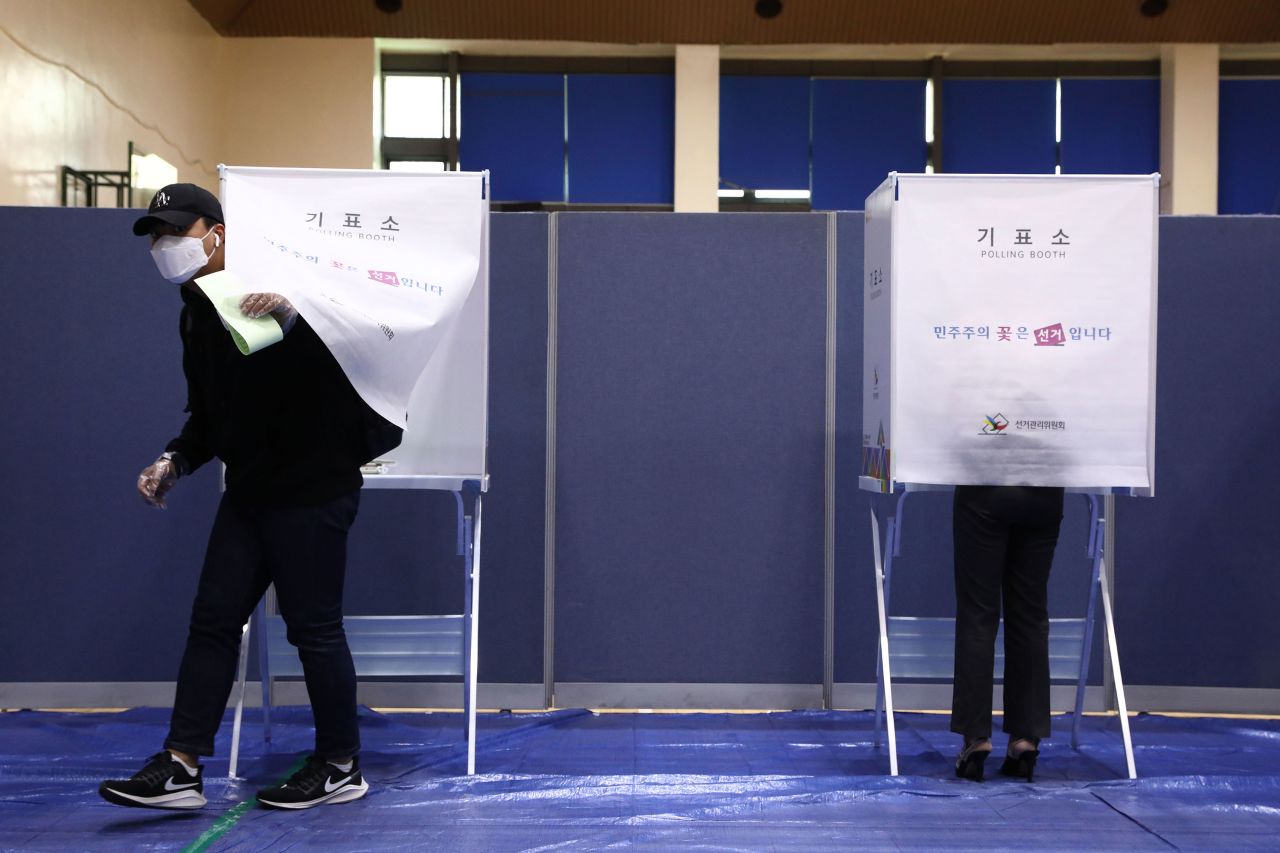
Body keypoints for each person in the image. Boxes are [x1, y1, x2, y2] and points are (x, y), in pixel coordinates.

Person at [98, 184, 402, 810]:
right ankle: (182, 765)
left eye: (175, 233)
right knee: (213, 621)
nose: (164, 246)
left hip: (315, 486)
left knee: (313, 630)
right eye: (156, 236)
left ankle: (341, 765)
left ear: (218, 233)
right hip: (252, 489)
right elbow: (211, 415)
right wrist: (175, 459)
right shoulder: (196, 309)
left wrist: (295, 323)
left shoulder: (285, 290)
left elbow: (351, 375)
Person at [950, 485, 1065, 782]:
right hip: (1045, 492)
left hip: (985, 488)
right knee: (1030, 615)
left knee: (978, 615)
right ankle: (1025, 739)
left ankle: (976, 739)